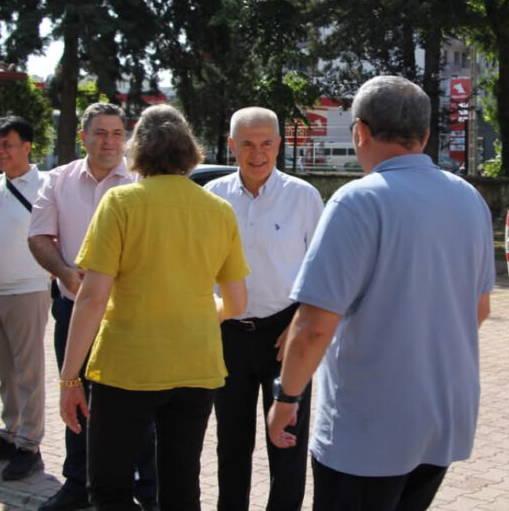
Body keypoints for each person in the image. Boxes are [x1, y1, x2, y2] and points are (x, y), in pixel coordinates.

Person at [267, 76, 495, 511]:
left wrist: (286, 397)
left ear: (360, 131)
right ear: (425, 136)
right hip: (444, 415)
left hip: (369, 427)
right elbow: (479, 309)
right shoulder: (468, 199)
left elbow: (314, 326)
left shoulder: (357, 201)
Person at [59, 104, 249, 511]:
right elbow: (237, 301)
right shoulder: (219, 210)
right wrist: (200, 313)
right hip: (196, 365)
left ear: (137, 150)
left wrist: (69, 378)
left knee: (109, 487)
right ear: (189, 150)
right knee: (181, 487)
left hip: (128, 365)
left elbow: (92, 298)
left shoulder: (120, 202)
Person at [29, 103, 158, 511]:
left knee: (140, 403)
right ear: (83, 136)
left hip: (130, 314)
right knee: (75, 396)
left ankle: (148, 490)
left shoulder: (143, 181)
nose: (109, 141)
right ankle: (77, 484)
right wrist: (65, 273)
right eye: (100, 133)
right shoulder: (58, 180)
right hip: (74, 306)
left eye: (118, 133)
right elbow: (38, 237)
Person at [205, 107, 324, 511]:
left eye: (267, 143)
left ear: (279, 143)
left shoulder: (303, 197)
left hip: (285, 336)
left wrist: (297, 324)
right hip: (229, 335)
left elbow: (322, 271)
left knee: (287, 443)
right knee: (231, 444)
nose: (258, 154)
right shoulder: (212, 198)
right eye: (248, 144)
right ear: (232, 146)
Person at [0, 116, 52, 481]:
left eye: (8, 144)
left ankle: (30, 445)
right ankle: (9, 433)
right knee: (4, 372)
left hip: (28, 290)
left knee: (29, 374)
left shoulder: (46, 185)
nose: (0, 151)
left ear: (27, 145)